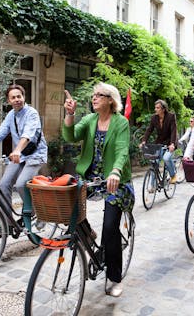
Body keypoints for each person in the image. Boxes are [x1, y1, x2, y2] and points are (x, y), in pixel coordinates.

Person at [62, 82, 134, 298]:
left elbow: (122, 150)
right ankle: (88, 233)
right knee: (69, 212)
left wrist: (116, 172)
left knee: (110, 228)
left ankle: (114, 277)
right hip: (91, 178)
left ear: (110, 100)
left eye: (98, 95)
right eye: (93, 96)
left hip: (115, 180)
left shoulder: (120, 122)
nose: (94, 99)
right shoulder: (90, 120)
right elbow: (71, 136)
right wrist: (70, 115)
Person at [0, 84, 47, 234]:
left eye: (19, 96)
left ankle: (37, 213)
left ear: (24, 97)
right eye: (13, 97)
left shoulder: (32, 113)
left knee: (21, 184)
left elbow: (28, 134)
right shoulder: (11, 115)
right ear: (8, 100)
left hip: (36, 155)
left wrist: (16, 149)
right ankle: (7, 223)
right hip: (20, 155)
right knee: (3, 184)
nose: (17, 99)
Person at [139, 99, 178, 184]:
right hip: (159, 143)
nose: (155, 109)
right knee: (154, 162)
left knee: (166, 158)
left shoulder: (171, 116)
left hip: (170, 142)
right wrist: (144, 141)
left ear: (163, 109)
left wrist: (172, 144)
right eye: (155, 108)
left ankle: (173, 175)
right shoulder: (154, 118)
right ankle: (152, 186)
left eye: (158, 108)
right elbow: (149, 130)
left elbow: (173, 131)